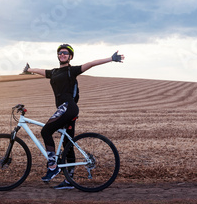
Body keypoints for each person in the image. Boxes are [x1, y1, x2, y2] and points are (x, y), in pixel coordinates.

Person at [23, 43, 124, 189]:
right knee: (67, 145)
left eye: (65, 53)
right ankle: (70, 180)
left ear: (70, 56)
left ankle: (53, 167)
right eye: (60, 53)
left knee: (45, 131)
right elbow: (41, 71)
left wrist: (111, 58)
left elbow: (90, 64)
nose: (62, 54)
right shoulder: (54, 72)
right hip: (67, 110)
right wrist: (29, 69)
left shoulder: (72, 70)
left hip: (68, 108)